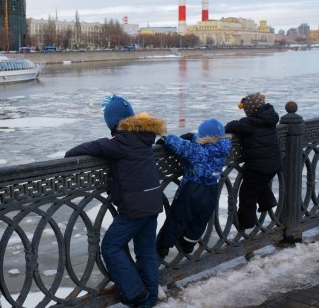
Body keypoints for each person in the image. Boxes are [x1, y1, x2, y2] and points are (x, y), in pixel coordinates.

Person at [64, 94, 166, 308]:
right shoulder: (145, 138)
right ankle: (151, 300)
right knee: (146, 250)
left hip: (135, 206)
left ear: (112, 122)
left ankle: (136, 292)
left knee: (111, 246)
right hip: (154, 201)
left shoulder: (120, 142)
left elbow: (80, 150)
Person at [155, 119, 231, 257]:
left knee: (178, 217)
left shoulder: (198, 151)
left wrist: (166, 138)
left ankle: (162, 247)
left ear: (203, 137)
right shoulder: (224, 146)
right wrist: (194, 136)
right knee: (200, 220)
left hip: (193, 190)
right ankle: (187, 245)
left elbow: (181, 146)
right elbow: (204, 141)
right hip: (212, 190)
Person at [224, 92, 283, 230]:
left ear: (249, 110)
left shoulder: (249, 123)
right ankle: (267, 201)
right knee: (259, 184)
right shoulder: (270, 118)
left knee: (247, 194)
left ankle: (246, 222)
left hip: (258, 166)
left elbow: (232, 126)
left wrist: (228, 124)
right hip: (274, 164)